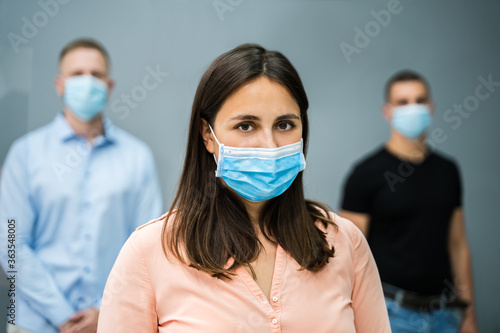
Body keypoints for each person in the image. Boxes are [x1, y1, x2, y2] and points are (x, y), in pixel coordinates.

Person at [97, 43, 390, 332]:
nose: (270, 145)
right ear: (207, 135)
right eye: (246, 126)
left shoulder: (345, 243)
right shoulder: (150, 252)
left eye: (285, 125)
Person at [0, 38, 163, 333]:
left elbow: (149, 246)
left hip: (114, 321)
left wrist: (105, 309)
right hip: (34, 323)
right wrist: (62, 315)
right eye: (77, 74)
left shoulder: (137, 157)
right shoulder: (25, 154)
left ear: (109, 86)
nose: (87, 81)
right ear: (60, 84)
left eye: (96, 74)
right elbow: (11, 244)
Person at [340, 70, 478, 332]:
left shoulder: (447, 171)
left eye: (419, 100)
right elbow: (349, 255)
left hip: (444, 313)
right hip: (389, 313)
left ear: (431, 107)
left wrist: (469, 314)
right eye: (402, 102)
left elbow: (458, 244)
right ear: (387, 111)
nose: (412, 108)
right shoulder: (366, 174)